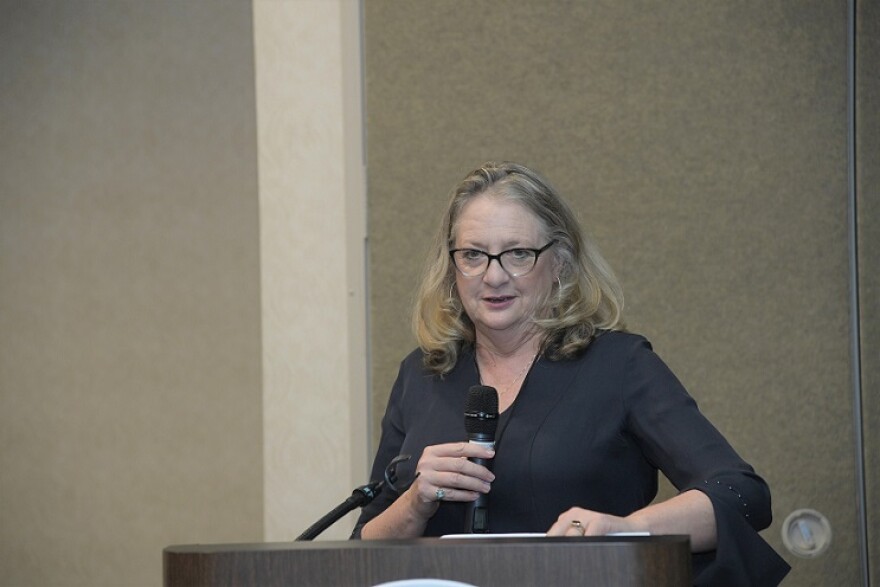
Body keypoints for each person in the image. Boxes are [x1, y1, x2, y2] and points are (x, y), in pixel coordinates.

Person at [352, 161, 790, 585]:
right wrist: (416, 501)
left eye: (518, 254)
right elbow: (362, 544)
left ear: (559, 262)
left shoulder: (619, 365)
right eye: (472, 255)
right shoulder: (422, 373)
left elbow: (741, 493)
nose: (493, 275)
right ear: (452, 267)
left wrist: (624, 530)